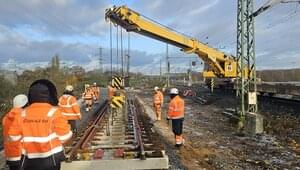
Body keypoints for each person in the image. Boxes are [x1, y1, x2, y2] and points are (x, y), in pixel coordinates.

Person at [8, 79, 72, 170]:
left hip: (29, 160)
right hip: (51, 160)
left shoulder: (22, 114)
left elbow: (13, 137)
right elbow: (64, 137)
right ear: (50, 96)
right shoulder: (54, 112)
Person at [2, 94, 28, 170]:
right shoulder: (24, 117)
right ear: (25, 104)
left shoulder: (6, 118)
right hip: (22, 154)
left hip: (10, 155)